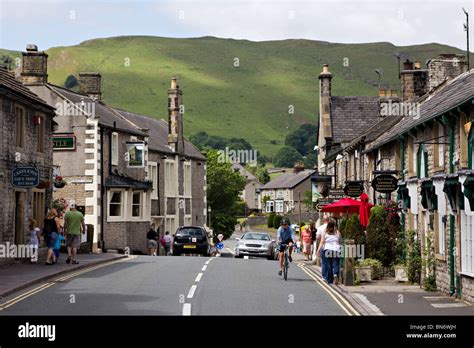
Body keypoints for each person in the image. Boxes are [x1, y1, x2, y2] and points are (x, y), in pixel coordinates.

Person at [316, 220, 342, 285]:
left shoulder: (325, 232)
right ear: (334, 226)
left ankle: (330, 280)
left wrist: (318, 250)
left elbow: (322, 242)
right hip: (336, 249)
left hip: (327, 249)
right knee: (336, 263)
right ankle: (335, 274)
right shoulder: (337, 232)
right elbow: (340, 242)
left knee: (329, 265)